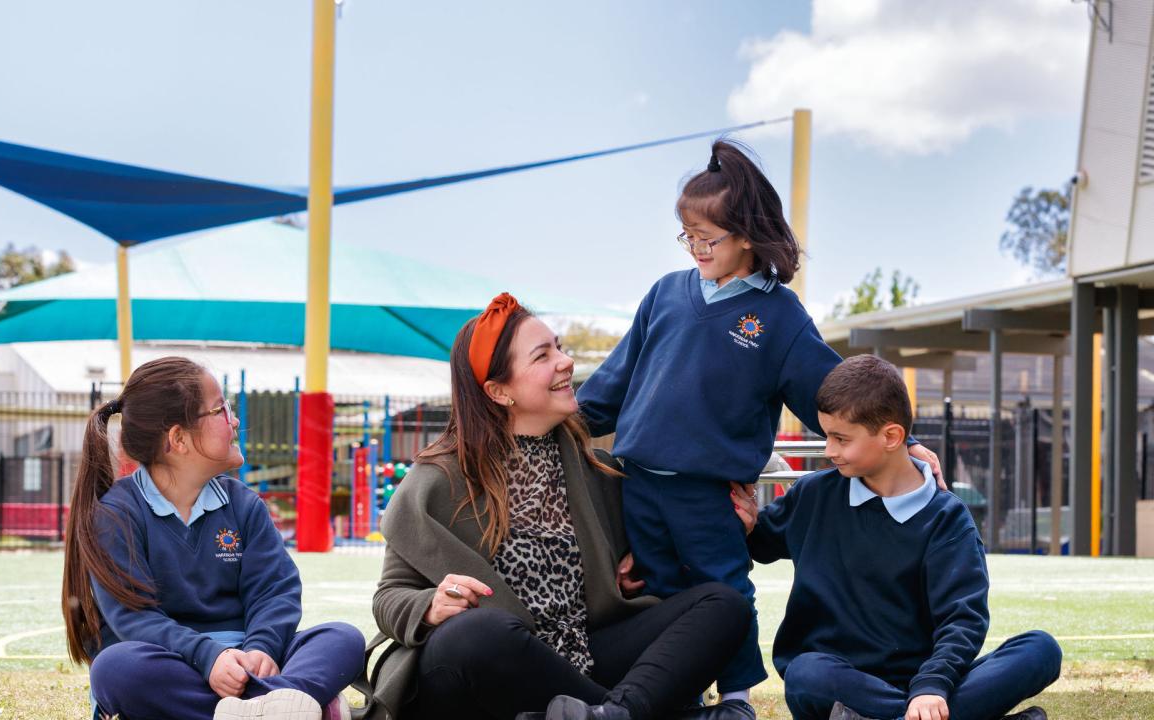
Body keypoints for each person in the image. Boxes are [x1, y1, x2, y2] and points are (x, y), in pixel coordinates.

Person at [575, 138, 942, 711]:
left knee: (724, 592)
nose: (695, 247)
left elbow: (832, 387)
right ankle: (681, 696)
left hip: (710, 494)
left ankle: (737, 697)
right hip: (638, 484)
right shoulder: (665, 294)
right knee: (661, 594)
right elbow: (610, 384)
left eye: (707, 237)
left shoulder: (779, 316)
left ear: (746, 234)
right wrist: (553, 419)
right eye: (686, 235)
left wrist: (907, 441)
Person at [368, 293, 756, 720]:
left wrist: (734, 524)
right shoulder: (437, 480)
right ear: (499, 391)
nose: (565, 361)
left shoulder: (599, 470)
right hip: (484, 670)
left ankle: (613, 714)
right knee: (478, 632)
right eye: (542, 355)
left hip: (584, 653)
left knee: (723, 604)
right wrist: (429, 606)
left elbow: (669, 548)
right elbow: (389, 596)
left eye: (559, 347)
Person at [736, 354, 1061, 720]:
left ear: (891, 436)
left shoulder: (947, 519)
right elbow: (759, 544)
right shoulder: (813, 495)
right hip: (838, 681)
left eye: (840, 438)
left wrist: (931, 686)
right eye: (826, 436)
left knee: (1040, 649)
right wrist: (746, 526)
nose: (828, 451)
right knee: (805, 673)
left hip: (926, 686)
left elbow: (962, 619)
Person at [61, 356, 366, 720]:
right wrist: (211, 658)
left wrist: (261, 649)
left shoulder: (243, 504)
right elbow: (134, 619)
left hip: (252, 662)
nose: (234, 419)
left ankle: (262, 705)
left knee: (342, 637)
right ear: (178, 439)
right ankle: (288, 703)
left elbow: (275, 592)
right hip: (175, 662)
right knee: (115, 668)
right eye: (221, 410)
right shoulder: (118, 514)